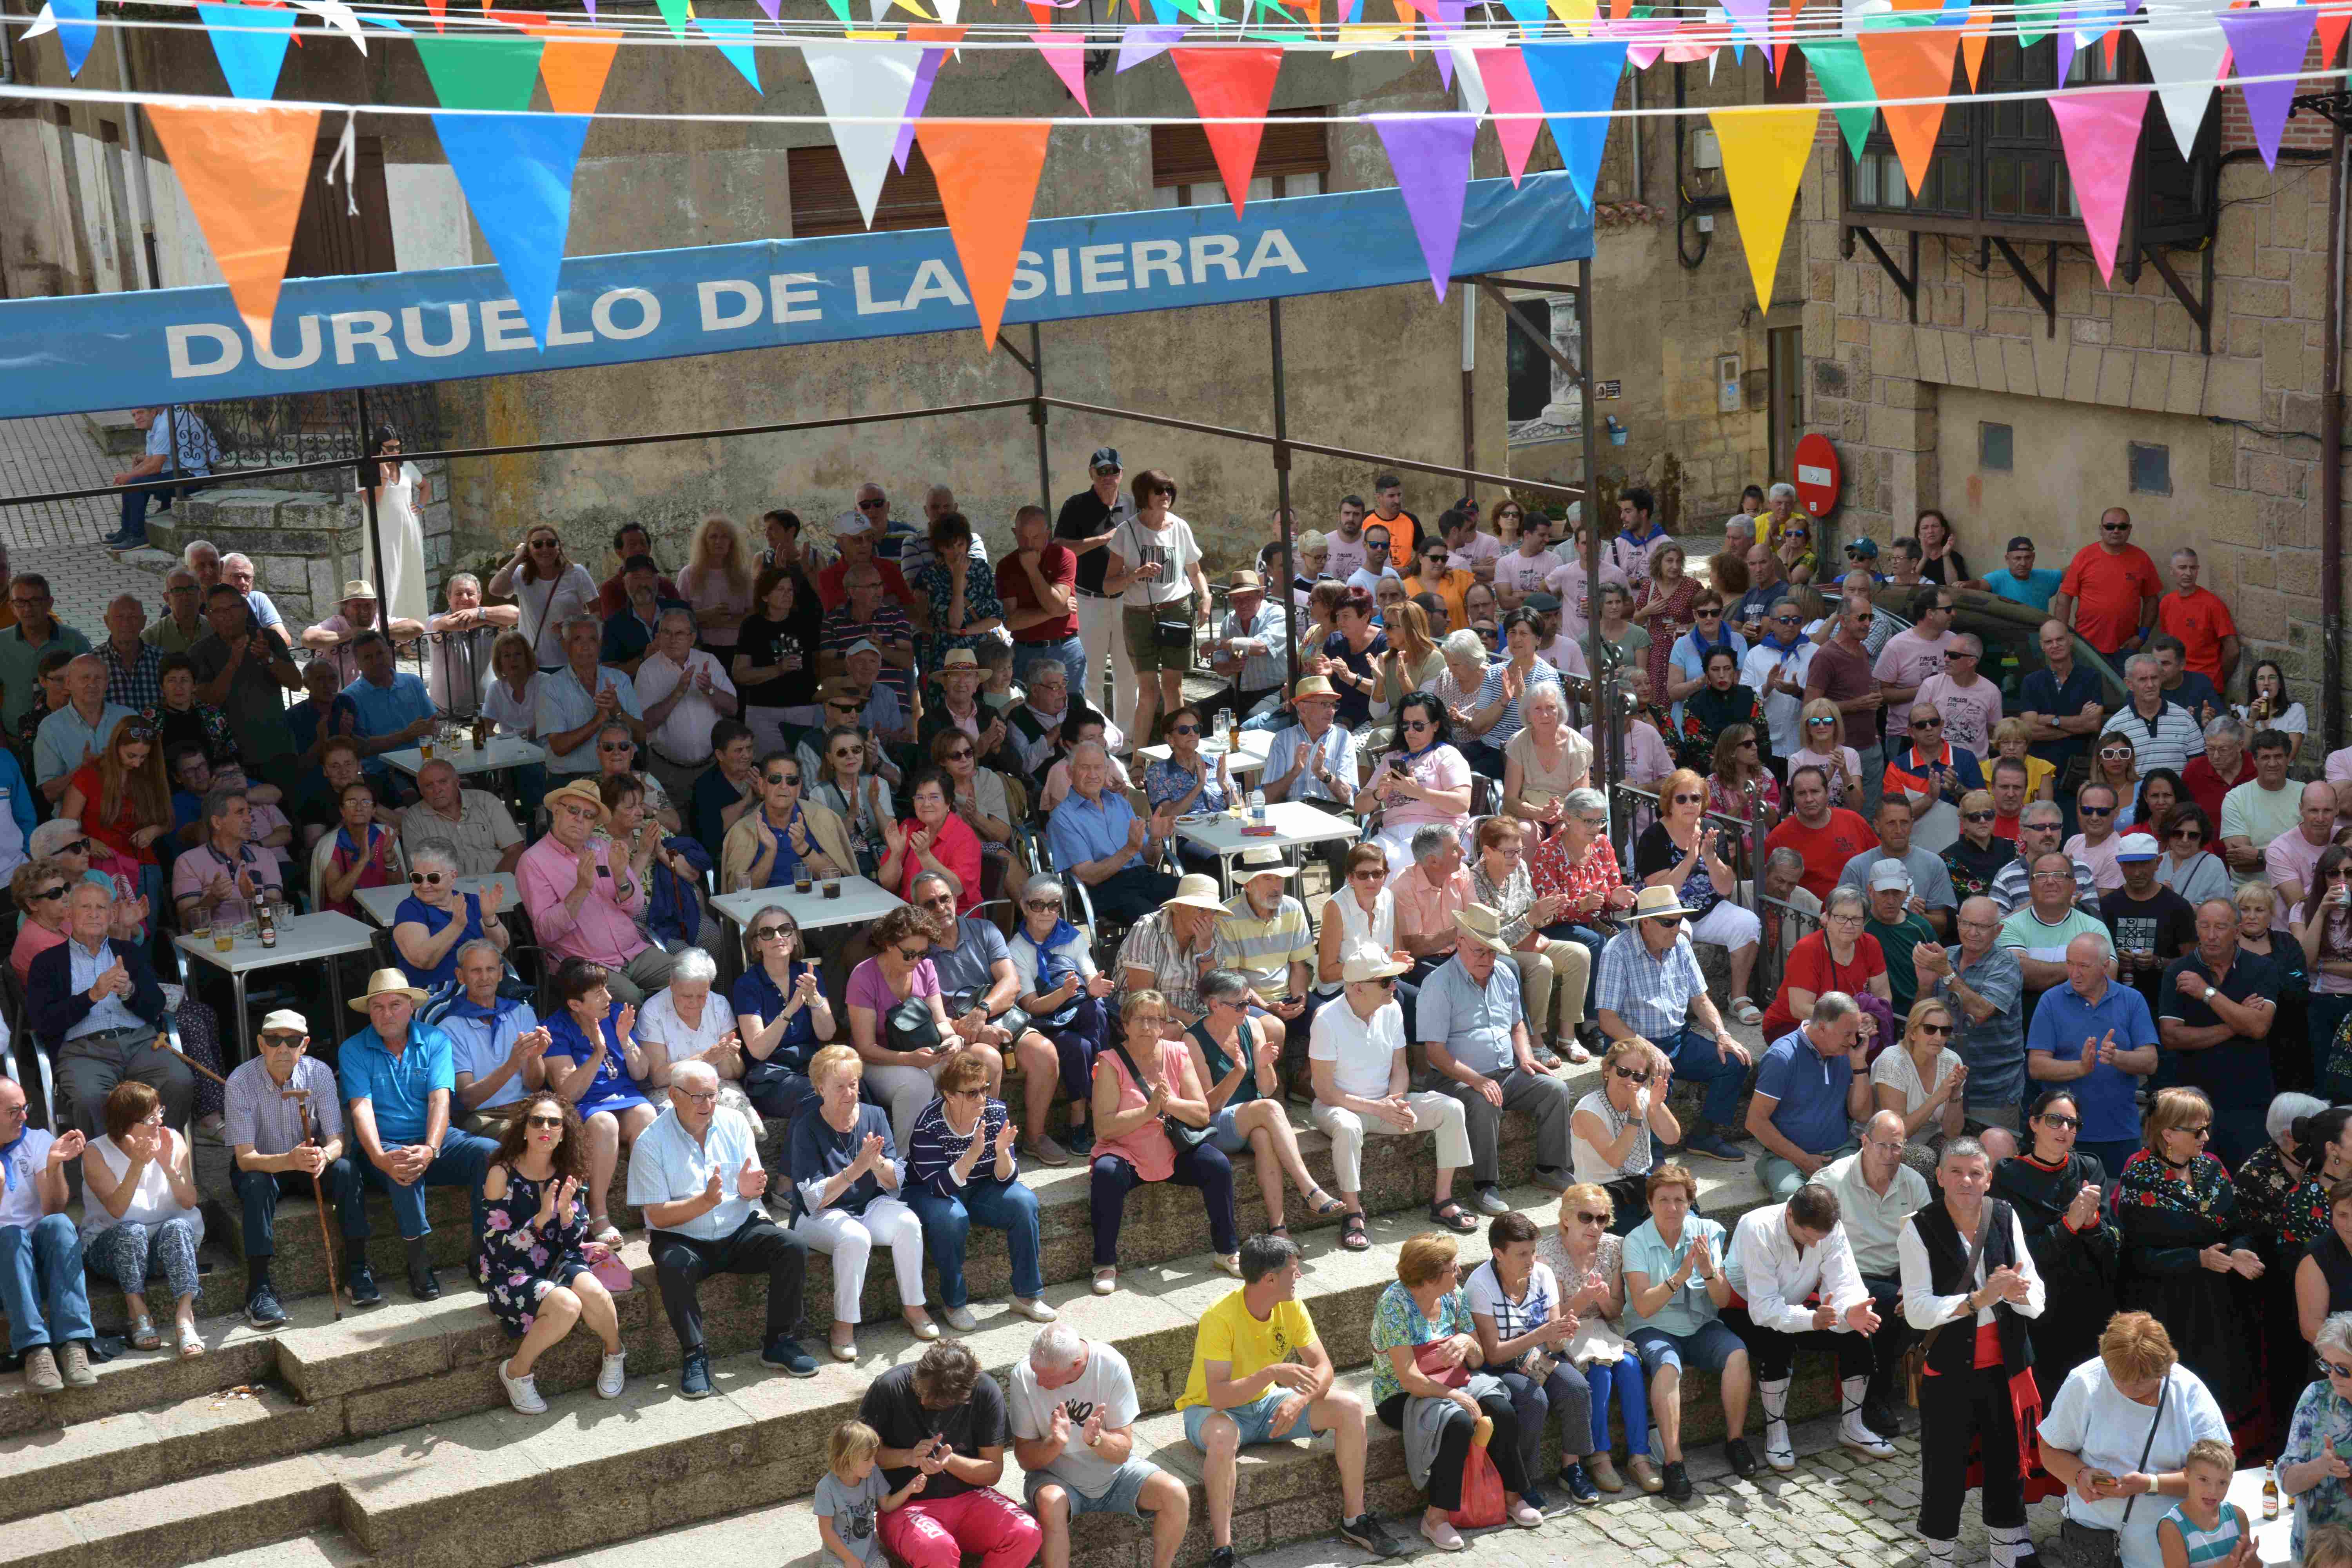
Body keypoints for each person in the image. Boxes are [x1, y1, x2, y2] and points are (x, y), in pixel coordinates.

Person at [1895, 1135, 2046, 1568]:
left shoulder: (2004, 1214)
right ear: (1939, 1177)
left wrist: (2018, 1293)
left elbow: (2034, 1286)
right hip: (1949, 1370)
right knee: (1945, 1469)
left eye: (1975, 1172)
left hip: (2007, 1364)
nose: (1966, 1180)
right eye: (1956, 1171)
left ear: (1989, 1178)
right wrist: (1981, 1298)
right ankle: (1940, 1557)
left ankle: (2004, 1551)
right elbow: (1919, 1311)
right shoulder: (1918, 1227)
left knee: (2007, 1462)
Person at [629, 1058, 817, 1393]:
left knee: (792, 1246)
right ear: (673, 1095)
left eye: (713, 1095)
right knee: (672, 1265)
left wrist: (750, 1190)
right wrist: (703, 1202)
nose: (708, 1104)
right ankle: (694, 1355)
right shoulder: (650, 1142)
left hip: (737, 1230)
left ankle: (780, 1342)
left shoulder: (734, 1123)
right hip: (683, 1237)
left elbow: (750, 1185)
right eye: (698, 1096)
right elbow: (656, 1215)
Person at [1369, 1230, 1546, 1546]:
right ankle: (1435, 1517)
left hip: (1453, 1378)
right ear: (1429, 1278)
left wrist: (1467, 1342)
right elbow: (1408, 1377)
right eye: (1453, 1267)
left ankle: (1512, 1496)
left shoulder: (1453, 1294)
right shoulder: (1394, 1305)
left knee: (1502, 1410)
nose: (1459, 1271)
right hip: (1402, 1393)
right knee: (1459, 1421)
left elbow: (1477, 1361)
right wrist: (1454, 1397)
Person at [335, 967, 499, 1306]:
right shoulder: (353, 1049)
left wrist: (431, 1148)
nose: (387, 1014)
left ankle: (484, 1251)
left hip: (435, 1140)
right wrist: (381, 1157)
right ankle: (419, 1263)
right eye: (377, 1007)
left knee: (491, 1153)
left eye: (395, 1004)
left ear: (411, 1006)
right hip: (381, 1147)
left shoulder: (435, 1039)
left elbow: (441, 1098)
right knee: (401, 1165)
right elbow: (360, 1109)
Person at [2111, 1087, 2263, 1429]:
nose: (2206, 1137)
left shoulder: (2211, 1167)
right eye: (2197, 1131)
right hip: (2167, 1304)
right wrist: (2197, 1259)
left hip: (2216, 1301)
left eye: (2207, 1127)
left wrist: (2238, 1248)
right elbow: (2136, 1256)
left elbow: (2236, 1225)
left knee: (2220, 1385)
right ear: (2168, 1133)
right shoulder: (2139, 1175)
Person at [2039, 1310, 2233, 1568]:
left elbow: (2220, 1474)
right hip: (2098, 1546)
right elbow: (2049, 1450)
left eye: (2140, 1383)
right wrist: (2081, 1475)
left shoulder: (2188, 1390)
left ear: (2164, 1369)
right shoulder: (2086, 1382)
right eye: (2118, 1379)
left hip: (2170, 1548)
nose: (2128, 1389)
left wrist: (2150, 1484)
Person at [1308, 951, 1476, 1249]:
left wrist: (1395, 1103)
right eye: (1386, 981)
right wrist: (1378, 1108)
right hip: (1339, 1107)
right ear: (1358, 987)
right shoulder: (1326, 1019)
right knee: (1347, 1128)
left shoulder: (1393, 1009)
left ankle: (1443, 1200)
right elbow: (1324, 1091)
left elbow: (1401, 1067)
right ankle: (1353, 1213)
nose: (1394, 987)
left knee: (1452, 1108)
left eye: (1394, 980)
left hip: (1384, 1103)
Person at [1724, 1184, 1898, 1469]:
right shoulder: (1756, 1227)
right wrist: (1811, 1320)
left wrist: (1849, 1311)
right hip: (1744, 1310)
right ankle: (1776, 1432)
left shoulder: (1830, 1228)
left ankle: (1852, 1426)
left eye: (1821, 1238)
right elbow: (1764, 1308)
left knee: (1857, 1329)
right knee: (1777, 1339)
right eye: (1808, 1236)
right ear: (1790, 1214)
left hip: (1797, 1304)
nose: (1815, 1245)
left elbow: (1846, 1283)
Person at [472, 1091, 626, 1413]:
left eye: (555, 1122)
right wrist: (540, 1220)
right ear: (524, 1129)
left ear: (562, 1133)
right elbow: (496, 1250)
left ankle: (615, 1355)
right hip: (511, 1272)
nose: (546, 1126)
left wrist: (569, 1219)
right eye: (537, 1120)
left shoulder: (568, 1172)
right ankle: (517, 1372)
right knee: (567, 1304)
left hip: (558, 1260)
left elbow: (572, 1243)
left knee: (594, 1293)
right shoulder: (502, 1175)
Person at [1422, 904, 1579, 1211]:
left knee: (1555, 1090)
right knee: (1484, 1100)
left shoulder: (1505, 973)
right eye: (1481, 952)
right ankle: (1484, 1186)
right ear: (1461, 941)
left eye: (1493, 952)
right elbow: (1435, 1053)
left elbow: (1517, 1024)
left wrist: (1525, 1056)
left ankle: (1549, 1169)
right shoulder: (1438, 984)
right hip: (1455, 1078)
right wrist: (1476, 1080)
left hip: (1507, 1071)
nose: (1488, 959)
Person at [788, 1043, 930, 1360]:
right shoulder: (806, 1127)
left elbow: (896, 1182)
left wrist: (877, 1163)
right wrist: (856, 1170)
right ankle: (843, 1326)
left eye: (853, 1084)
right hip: (819, 1215)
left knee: (908, 1222)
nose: (849, 1093)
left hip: (868, 1206)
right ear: (819, 1088)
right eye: (840, 1087)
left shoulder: (875, 1115)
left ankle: (914, 1307)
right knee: (855, 1237)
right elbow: (813, 1199)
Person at [1089, 989, 1238, 1291]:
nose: (1147, 1027)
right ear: (1126, 1024)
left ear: (1163, 1024)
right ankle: (1104, 1264)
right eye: (1139, 1019)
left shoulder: (1177, 1053)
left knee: (1217, 1165)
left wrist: (1169, 1105)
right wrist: (1149, 1111)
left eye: (1154, 1020)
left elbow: (1200, 1114)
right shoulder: (1109, 1062)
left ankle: (1227, 1251)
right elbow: (1104, 1128)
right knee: (1106, 1174)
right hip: (1126, 1150)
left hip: (1173, 1149)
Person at [1595, 886, 1755, 1163]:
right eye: (1669, 922)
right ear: (1645, 923)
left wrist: (1722, 1034)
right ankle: (1652, 1155)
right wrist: (1648, 1049)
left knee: (1735, 1061)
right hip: (1633, 1045)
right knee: (1658, 1079)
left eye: (1680, 921)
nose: (1676, 928)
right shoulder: (1617, 952)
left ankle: (1704, 1136)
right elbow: (1607, 1020)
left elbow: (1701, 999)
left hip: (1677, 1038)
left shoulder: (1680, 944)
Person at [1617, 1162, 1746, 1499]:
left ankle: (1736, 1441)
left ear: (1690, 1202)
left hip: (1701, 1324)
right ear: (1650, 1203)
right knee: (1668, 1365)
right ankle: (1674, 1461)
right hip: (1652, 1327)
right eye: (1663, 1200)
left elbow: (1720, 1299)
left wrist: (1707, 1272)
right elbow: (1643, 1306)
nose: (1672, 1208)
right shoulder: (1635, 1241)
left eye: (1680, 1200)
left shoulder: (1707, 1232)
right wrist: (1680, 1275)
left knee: (1737, 1355)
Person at [1009, 1325, 1187, 1568]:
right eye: (1036, 1373)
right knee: (1051, 1503)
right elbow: (1025, 1460)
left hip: (1114, 1474)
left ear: (1076, 1364)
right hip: (1055, 1476)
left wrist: (1097, 1440)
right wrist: (1054, 1444)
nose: (1039, 1382)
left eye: (1048, 1377)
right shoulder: (1024, 1376)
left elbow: (1123, 1452)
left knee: (1175, 1493)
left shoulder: (1111, 1365)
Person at [223, 1010, 359, 1328]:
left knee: (347, 1171)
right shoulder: (240, 1081)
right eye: (274, 1040)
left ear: (305, 1044)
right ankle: (258, 1289)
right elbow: (245, 1158)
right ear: (261, 1044)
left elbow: (338, 1139)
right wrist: (289, 1160)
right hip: (263, 1165)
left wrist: (324, 1156)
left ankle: (358, 1268)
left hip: (306, 1161)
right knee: (257, 1185)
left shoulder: (320, 1074)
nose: (283, 1048)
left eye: (292, 1040)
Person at [1463, 1210, 1603, 1512]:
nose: (1531, 1260)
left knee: (1577, 1388)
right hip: (1500, 1367)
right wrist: (1541, 1334)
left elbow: (1554, 1343)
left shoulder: (1542, 1275)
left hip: (1540, 1355)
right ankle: (1522, 1479)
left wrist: (1562, 1332)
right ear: (1498, 1254)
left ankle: (1571, 1468)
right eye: (1522, 1254)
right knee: (1533, 1400)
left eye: (1534, 1251)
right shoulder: (1480, 1285)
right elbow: (1493, 1354)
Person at [30, 880, 188, 1139]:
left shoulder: (128, 952)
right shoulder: (48, 963)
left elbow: (156, 1007)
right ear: (69, 913)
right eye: (86, 907)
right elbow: (44, 1023)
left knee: (178, 1080)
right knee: (91, 1098)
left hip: (140, 1044)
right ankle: (108, 1173)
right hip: (83, 1052)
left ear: (111, 915)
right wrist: (91, 996)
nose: (94, 914)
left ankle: (160, 1157)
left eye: (101, 908)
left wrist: (130, 991)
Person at [519, 780, 678, 1003]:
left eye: (589, 815)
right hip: (585, 963)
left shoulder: (603, 847)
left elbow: (635, 907)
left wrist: (622, 877)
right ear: (556, 810)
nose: (580, 819)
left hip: (632, 951)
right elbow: (546, 932)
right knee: (630, 998)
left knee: (687, 978)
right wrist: (581, 889)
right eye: (573, 810)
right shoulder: (533, 861)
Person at [79, 1080, 204, 1358]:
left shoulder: (173, 1138)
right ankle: (137, 1310)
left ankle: (185, 1315)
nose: (160, 1120)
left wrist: (167, 1165)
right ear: (126, 1124)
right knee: (131, 1231)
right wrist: (137, 1164)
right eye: (151, 1117)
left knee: (179, 1226)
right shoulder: (95, 1152)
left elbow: (189, 1201)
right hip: (112, 1249)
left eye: (160, 1111)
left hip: (166, 1249)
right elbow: (117, 1209)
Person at [2156, 898, 2278, 1169]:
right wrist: (2237, 1022)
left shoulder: (2262, 969)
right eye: (2204, 926)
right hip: (2193, 1103)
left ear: (2237, 931)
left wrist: (2206, 993)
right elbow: (2173, 1038)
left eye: (2221, 927)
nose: (2211, 935)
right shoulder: (2178, 971)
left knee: (2248, 1185)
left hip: (2250, 1100)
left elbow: (2259, 1027)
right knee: (2192, 1184)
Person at [1637, 766, 1765, 1021]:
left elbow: (1726, 888)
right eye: (1681, 798)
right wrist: (1690, 860)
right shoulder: (1653, 836)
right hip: (1668, 908)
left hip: (1708, 907)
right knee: (1678, 932)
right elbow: (1660, 892)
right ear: (1669, 803)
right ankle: (1676, 1001)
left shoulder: (1712, 829)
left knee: (1749, 922)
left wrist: (1711, 858)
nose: (1689, 804)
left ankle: (1738, 998)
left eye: (1695, 798)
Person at [0, 1076, 93, 1391]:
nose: (24, 1117)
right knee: (10, 1234)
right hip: (5, 1263)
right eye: (14, 1111)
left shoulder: (37, 1140)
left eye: (24, 1108)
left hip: (37, 1258)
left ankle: (73, 1344)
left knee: (61, 1225)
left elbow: (53, 1208)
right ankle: (36, 1350)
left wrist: (53, 1166)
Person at [1104, 469, 1208, 748]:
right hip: (1139, 615)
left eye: (1169, 491)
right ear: (1144, 496)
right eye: (1159, 491)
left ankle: (1183, 751)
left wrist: (1206, 596)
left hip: (1177, 611)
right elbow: (1109, 586)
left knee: (1174, 686)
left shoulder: (1180, 527)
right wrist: (1135, 575)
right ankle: (1139, 760)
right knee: (1148, 690)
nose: (1166, 496)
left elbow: (1195, 571)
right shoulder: (1127, 532)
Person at [1747, 991, 1875, 1199]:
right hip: (1786, 1158)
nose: (1853, 1041)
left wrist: (1859, 1064)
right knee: (1796, 1199)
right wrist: (1804, 1160)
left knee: (1857, 1193)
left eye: (1856, 1033)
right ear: (1823, 1027)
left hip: (1841, 1151)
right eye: (1847, 1034)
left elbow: (1863, 1115)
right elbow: (1755, 1122)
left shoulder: (1846, 1053)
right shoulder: (1782, 1057)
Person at [633, 607, 739, 809]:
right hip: (667, 771)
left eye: (680, 633)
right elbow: (644, 725)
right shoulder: (647, 670)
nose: (673, 639)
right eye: (667, 633)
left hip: (711, 767)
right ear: (658, 636)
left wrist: (710, 690)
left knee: (711, 829)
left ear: (692, 638)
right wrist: (678, 692)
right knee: (673, 834)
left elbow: (733, 708)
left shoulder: (709, 662)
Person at [2280, 1313, 2352, 1560]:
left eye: (2343, 1370)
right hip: (2316, 1556)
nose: (2332, 1377)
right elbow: (2288, 1483)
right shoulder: (2317, 1397)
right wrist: (2322, 1467)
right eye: (2327, 1366)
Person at [537, 617, 646, 779]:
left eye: (592, 639)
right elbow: (559, 747)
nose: (586, 646)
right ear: (566, 646)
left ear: (600, 645)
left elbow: (641, 737)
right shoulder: (550, 687)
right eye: (578, 639)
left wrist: (617, 710)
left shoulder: (620, 679)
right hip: (571, 782)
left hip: (618, 778)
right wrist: (599, 720)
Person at [1837, 797, 1960, 938]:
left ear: (1912, 824)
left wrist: (1919, 917)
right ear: (1877, 826)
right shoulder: (1856, 867)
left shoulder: (1933, 864)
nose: (1899, 830)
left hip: (1916, 952)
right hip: (1867, 951)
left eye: (1904, 823)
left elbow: (1942, 927)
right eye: (1891, 823)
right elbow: (1841, 920)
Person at [490, 526, 598, 669]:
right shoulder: (521, 575)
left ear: (559, 547)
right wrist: (518, 558)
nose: (545, 549)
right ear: (529, 549)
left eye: (551, 543)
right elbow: (495, 589)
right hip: (532, 663)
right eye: (538, 545)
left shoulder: (576, 573)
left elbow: (597, 614)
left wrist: (573, 625)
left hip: (571, 660)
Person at [1767, 764, 1877, 902]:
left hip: (1858, 915)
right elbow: (1766, 887)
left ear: (1828, 792)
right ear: (1793, 798)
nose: (1809, 799)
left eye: (1815, 792)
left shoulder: (1855, 822)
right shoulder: (1778, 838)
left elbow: (1879, 863)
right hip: (1806, 918)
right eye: (1801, 793)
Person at [399, 759, 524, 879]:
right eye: (429, 786)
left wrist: (495, 884)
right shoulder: (414, 818)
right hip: (448, 891)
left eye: (443, 782)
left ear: (457, 782)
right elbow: (419, 869)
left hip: (499, 883)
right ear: (421, 791)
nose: (437, 790)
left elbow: (515, 850)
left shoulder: (486, 801)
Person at [424, 572, 515, 720]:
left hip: (488, 714)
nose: (464, 598)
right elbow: (446, 624)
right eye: (458, 594)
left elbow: (515, 614)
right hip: (447, 715)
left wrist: (478, 613)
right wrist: (488, 620)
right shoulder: (434, 619)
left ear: (479, 598)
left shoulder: (484, 614)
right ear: (449, 597)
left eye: (470, 594)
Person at [2220, 729, 2303, 888]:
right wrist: (2294, 855)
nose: (2273, 764)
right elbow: (2240, 863)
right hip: (2250, 892)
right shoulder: (2236, 799)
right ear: (2254, 761)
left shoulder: (2306, 794)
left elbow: (2313, 853)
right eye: (2266, 757)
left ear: (2288, 759)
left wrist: (2259, 855)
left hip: (2298, 887)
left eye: (2278, 756)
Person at [2239, 658, 2307, 760]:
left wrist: (2257, 731)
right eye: (2261, 678)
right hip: (2250, 772)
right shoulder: (2242, 712)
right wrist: (2252, 720)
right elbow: (2242, 753)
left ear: (2280, 684)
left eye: (2272, 678)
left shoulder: (2295, 711)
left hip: (2281, 771)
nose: (2267, 683)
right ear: (2255, 685)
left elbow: (2289, 755)